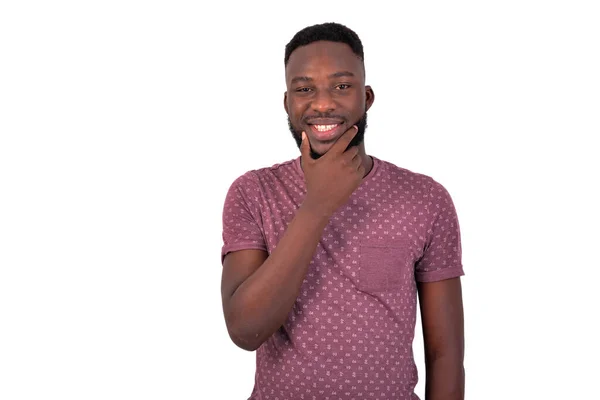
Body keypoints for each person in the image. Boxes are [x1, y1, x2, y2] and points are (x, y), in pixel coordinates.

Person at [220, 22, 465, 400]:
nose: (322, 103)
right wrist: (317, 205)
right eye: (304, 89)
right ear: (287, 103)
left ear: (366, 98)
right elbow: (245, 329)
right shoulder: (254, 193)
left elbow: (445, 353)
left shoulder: (425, 199)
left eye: (341, 86)